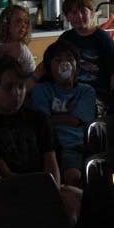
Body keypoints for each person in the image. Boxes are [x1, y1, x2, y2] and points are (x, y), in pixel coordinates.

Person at [0, 55, 81, 222]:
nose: (17, 93)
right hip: (6, 196)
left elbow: (51, 162)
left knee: (77, 200)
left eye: (21, 86)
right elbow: (3, 174)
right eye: (8, 88)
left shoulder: (38, 119)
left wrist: (52, 192)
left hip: (42, 189)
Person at [29, 40, 96, 188]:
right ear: (49, 67)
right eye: (58, 60)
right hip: (53, 147)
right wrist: (66, 118)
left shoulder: (86, 91)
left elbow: (76, 120)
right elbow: (42, 121)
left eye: (70, 60)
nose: (65, 64)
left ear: (77, 65)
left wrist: (54, 118)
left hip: (79, 146)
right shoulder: (41, 90)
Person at [57, 0, 114, 114]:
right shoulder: (65, 38)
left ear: (92, 13)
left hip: (97, 95)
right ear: (67, 17)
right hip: (70, 92)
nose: (79, 16)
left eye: (83, 12)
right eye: (74, 13)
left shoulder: (102, 38)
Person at [0, 5, 37, 80]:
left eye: (26, 22)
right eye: (18, 21)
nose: (23, 25)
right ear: (6, 23)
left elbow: (32, 73)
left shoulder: (22, 48)